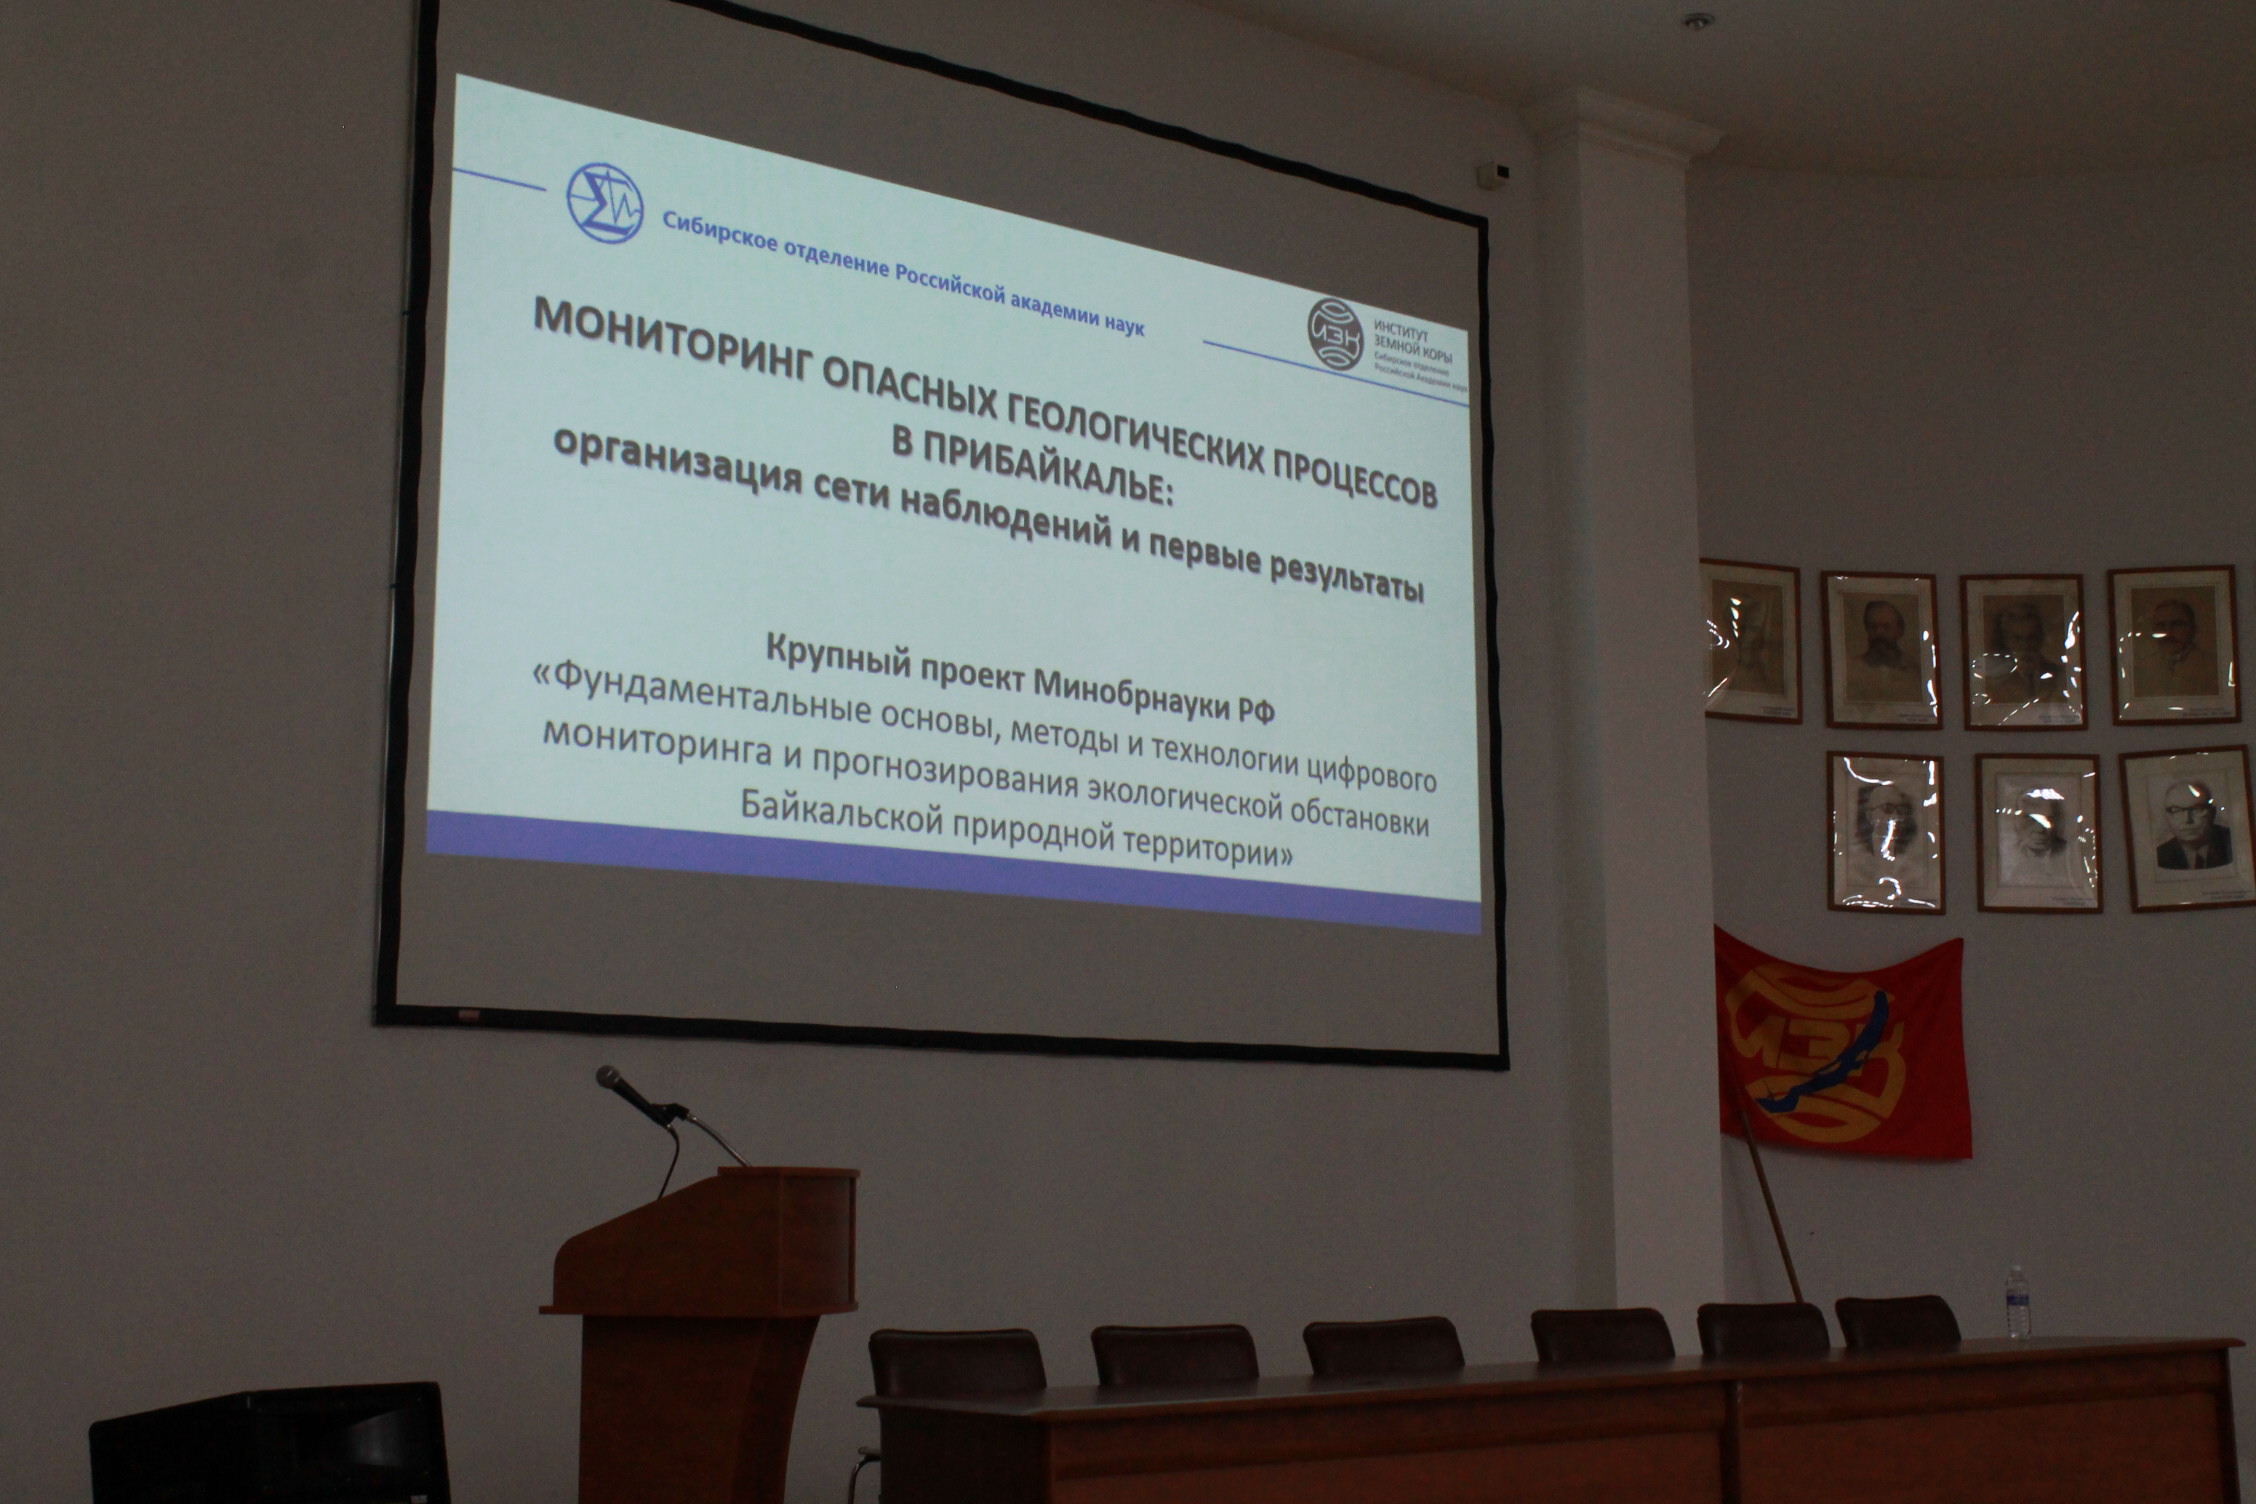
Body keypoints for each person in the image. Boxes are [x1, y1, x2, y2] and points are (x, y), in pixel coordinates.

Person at [1975, 600, 2070, 710]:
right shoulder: (1991, 681)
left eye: (2031, 638)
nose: (2025, 646)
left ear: (2041, 637)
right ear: (2005, 640)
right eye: (2017, 639)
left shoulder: (2061, 675)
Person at [2131, 597, 2219, 698]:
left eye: (2177, 625)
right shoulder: (2141, 669)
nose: (2168, 632)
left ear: (2193, 628)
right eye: (2161, 625)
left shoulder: (2214, 667)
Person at [1844, 598, 1924, 705]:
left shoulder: (1915, 672)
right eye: (1873, 627)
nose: (1879, 633)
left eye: (1886, 627)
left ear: (1899, 631)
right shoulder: (1851, 670)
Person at [2155, 779, 2234, 870]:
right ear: (2166, 816)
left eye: (2197, 809)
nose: (2187, 819)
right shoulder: (2160, 856)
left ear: (2212, 813)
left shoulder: (2234, 844)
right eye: (2175, 811)